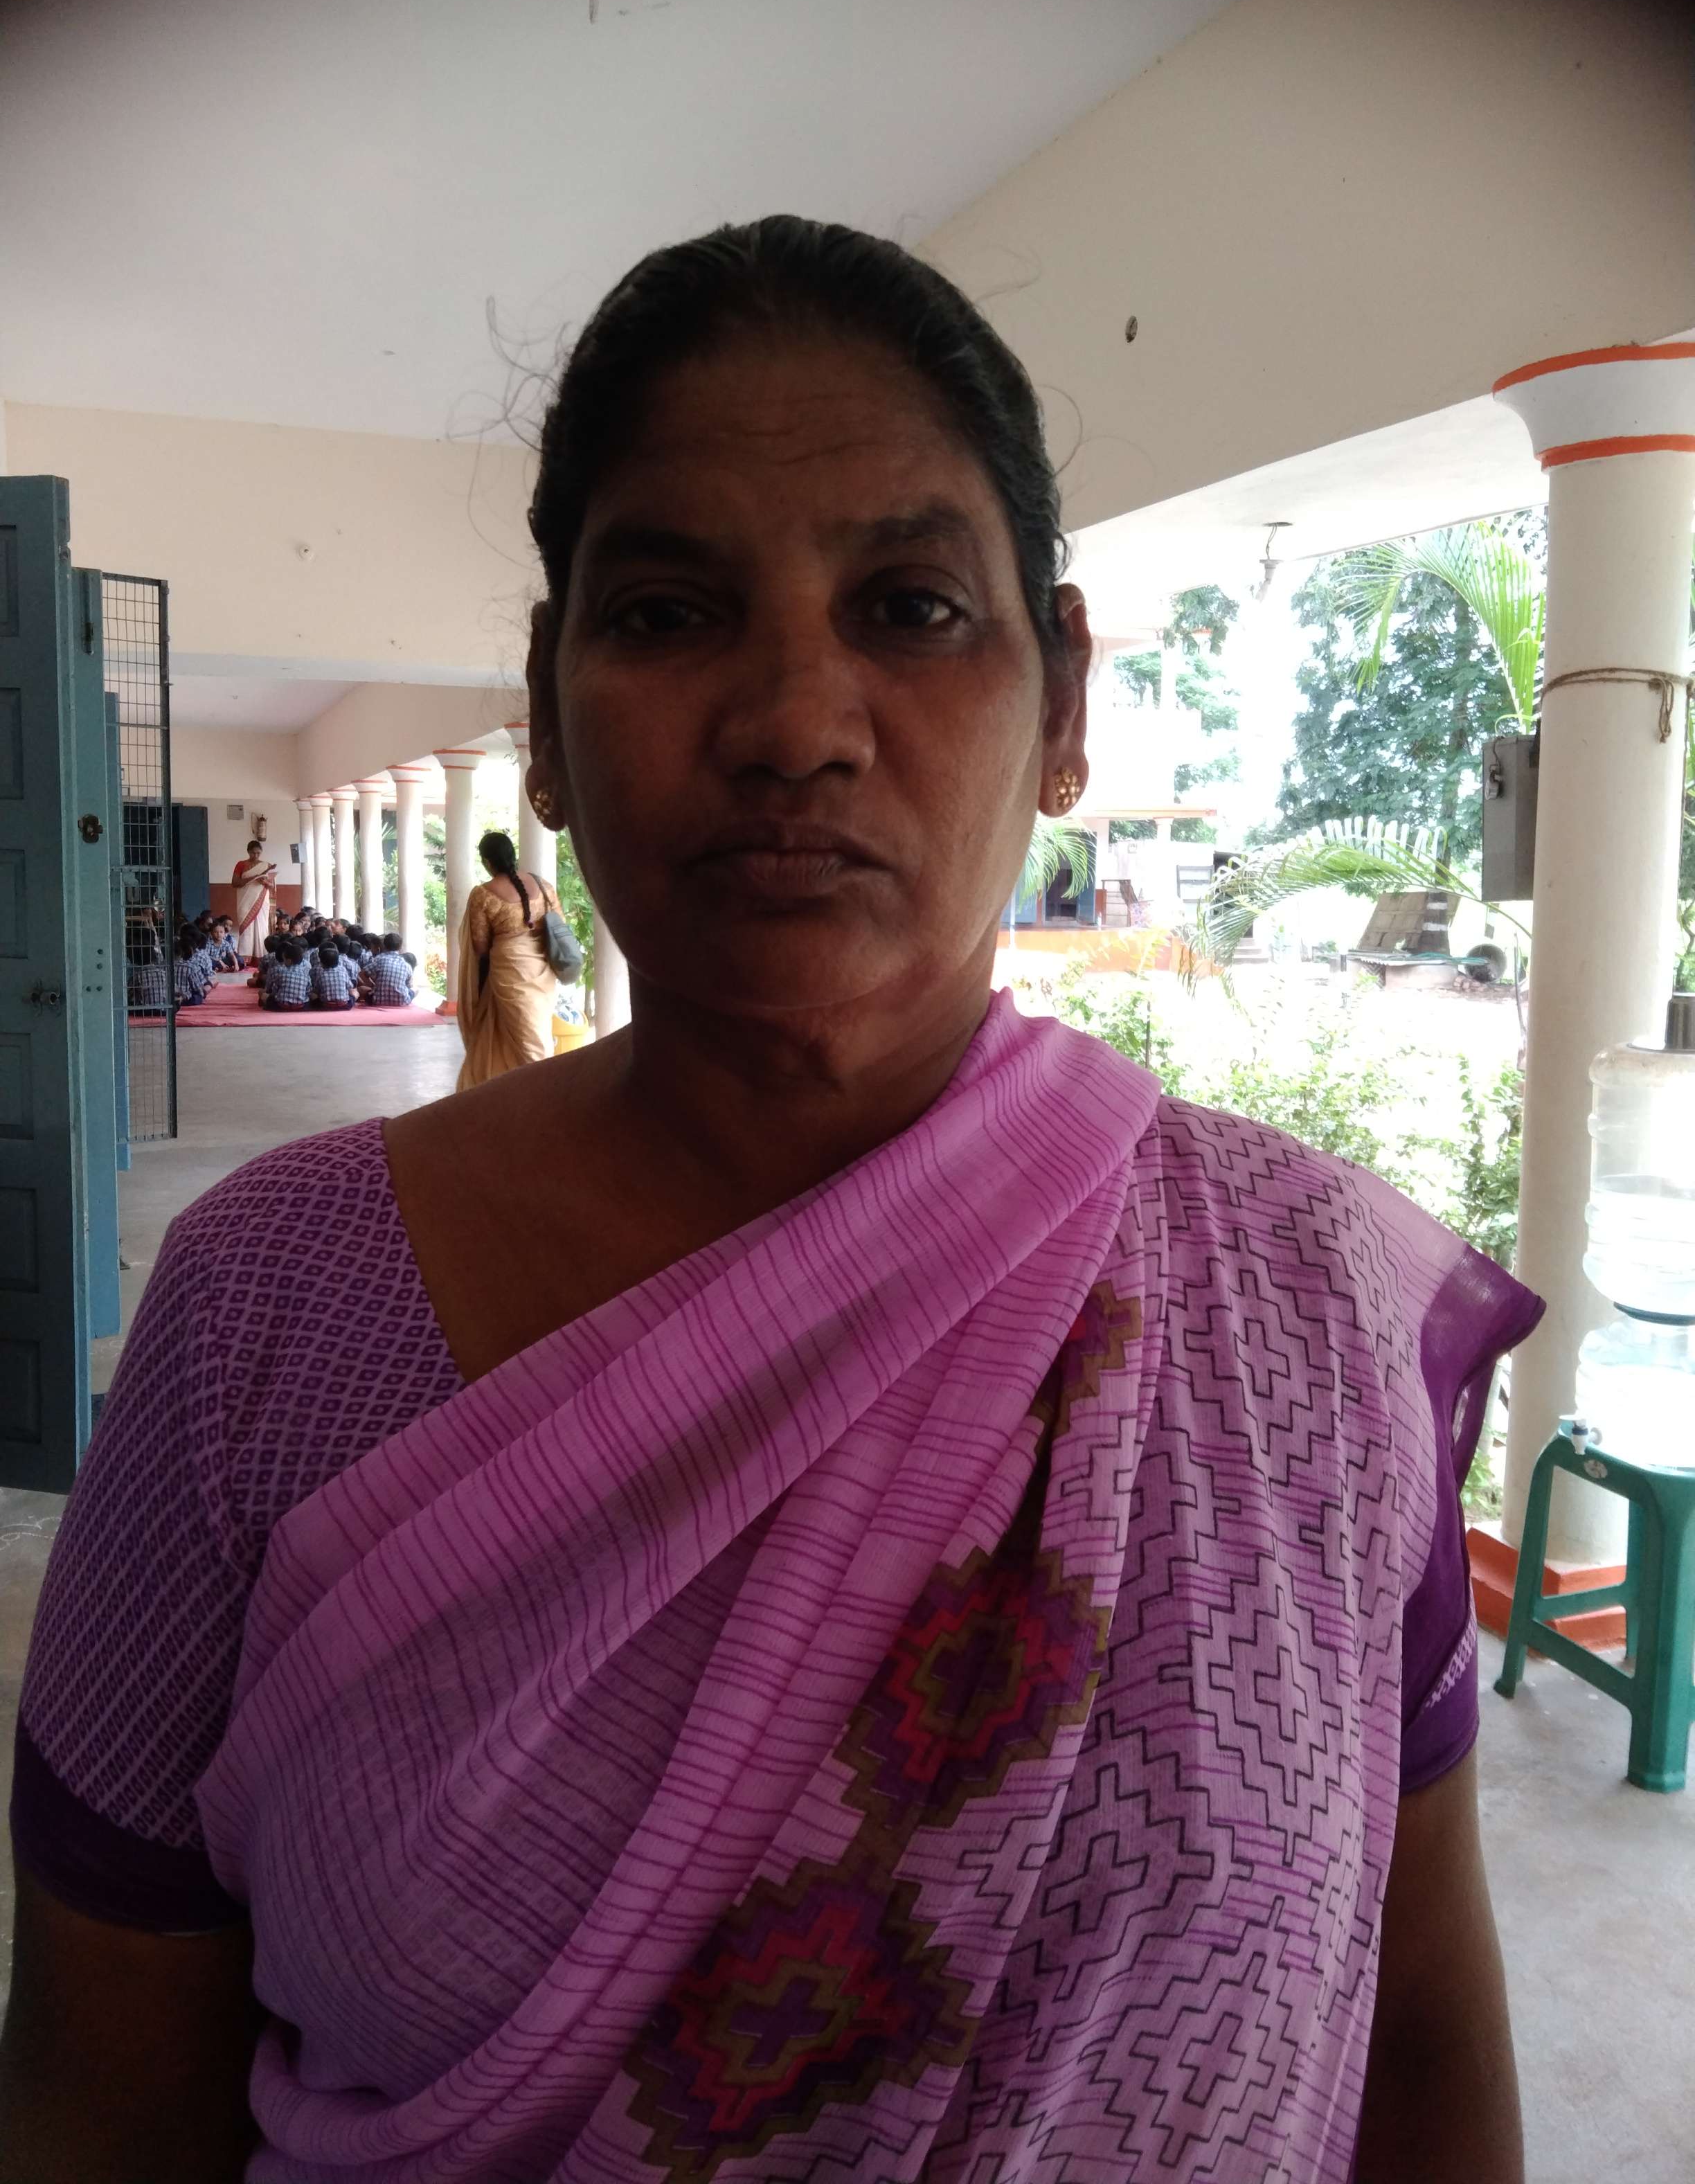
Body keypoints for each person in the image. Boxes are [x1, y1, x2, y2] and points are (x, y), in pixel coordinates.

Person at [1, 218, 1535, 2184]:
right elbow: (99, 2087)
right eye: (665, 611)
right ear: (545, 720)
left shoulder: (1298, 1305)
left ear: (1063, 704)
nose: (797, 723)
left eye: (911, 606)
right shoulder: (263, 1315)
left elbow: (1415, 2037)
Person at [453, 827, 564, 1087]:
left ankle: (540, 1090)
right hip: (542, 971)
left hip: (509, 970)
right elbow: (559, 923)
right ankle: (524, 1091)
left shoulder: (483, 894)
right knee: (535, 1031)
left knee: (529, 1044)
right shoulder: (544, 886)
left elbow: (480, 945)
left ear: (487, 862)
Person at [229, 840, 276, 964]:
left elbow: (272, 886)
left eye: (258, 853)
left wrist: (265, 882)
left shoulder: (267, 866)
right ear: (248, 852)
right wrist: (254, 878)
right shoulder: (241, 865)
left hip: (262, 900)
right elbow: (235, 882)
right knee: (246, 928)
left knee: (261, 927)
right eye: (253, 853)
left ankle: (261, 957)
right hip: (245, 900)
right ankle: (245, 958)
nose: (256, 856)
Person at [258, 934, 311, 1012]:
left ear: (289, 961)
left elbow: (274, 991)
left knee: (263, 995)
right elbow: (309, 991)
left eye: (285, 959)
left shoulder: (281, 973)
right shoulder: (306, 975)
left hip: (281, 1005)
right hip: (301, 1006)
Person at [362, 930, 416, 1006]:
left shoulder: (379, 960)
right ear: (400, 947)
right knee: (416, 990)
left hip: (378, 1001)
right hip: (402, 1001)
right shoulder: (406, 965)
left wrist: (372, 984)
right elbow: (409, 986)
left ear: (384, 945)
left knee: (362, 989)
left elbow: (363, 974)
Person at [309, 937, 360, 1011]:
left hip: (325, 1005)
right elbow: (350, 987)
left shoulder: (321, 974)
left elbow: (316, 990)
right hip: (344, 1005)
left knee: (312, 994)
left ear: (321, 963)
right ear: (338, 961)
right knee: (354, 992)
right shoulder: (343, 972)